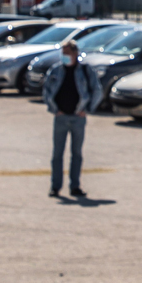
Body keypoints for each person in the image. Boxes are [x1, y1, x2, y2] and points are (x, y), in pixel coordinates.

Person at [43, 40, 104, 198]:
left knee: (76, 153)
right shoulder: (56, 70)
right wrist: (54, 109)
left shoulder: (84, 70)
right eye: (63, 53)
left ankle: (75, 186)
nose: (64, 56)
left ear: (75, 53)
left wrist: (87, 109)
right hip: (60, 117)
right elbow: (47, 90)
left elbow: (97, 90)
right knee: (57, 154)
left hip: (78, 118)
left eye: (67, 53)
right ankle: (55, 187)